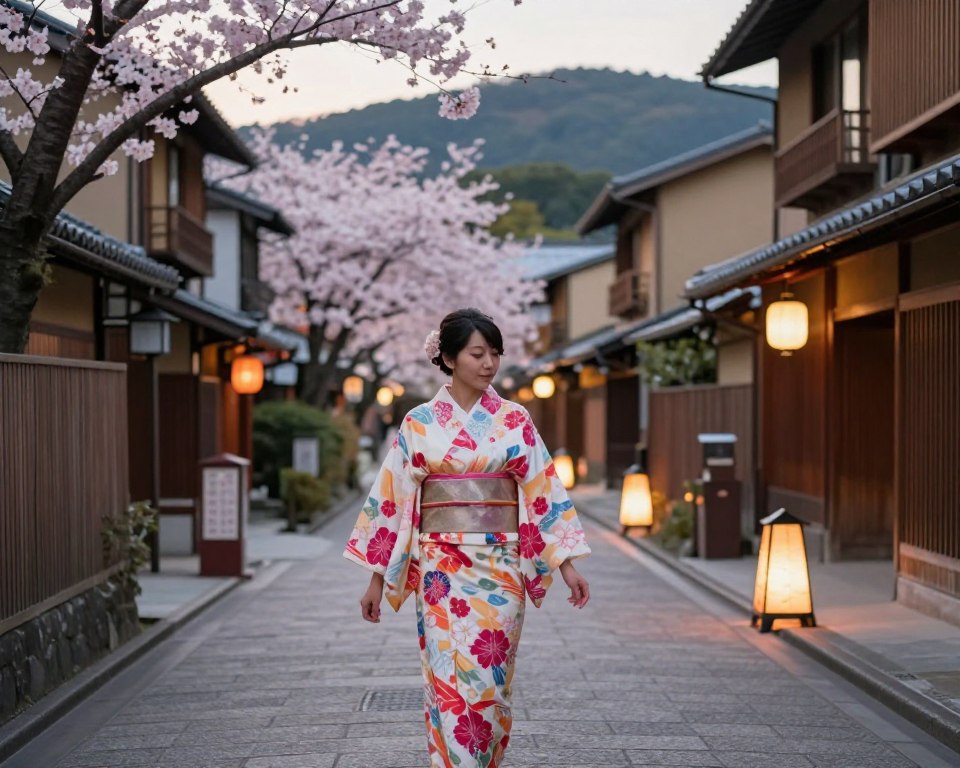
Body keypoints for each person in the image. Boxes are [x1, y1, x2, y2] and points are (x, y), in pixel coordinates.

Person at [343, 308, 591, 768]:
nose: (489, 364)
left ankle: (483, 757)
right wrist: (376, 579)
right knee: (450, 683)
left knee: (491, 683)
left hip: (502, 571)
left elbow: (542, 492)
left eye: (495, 353)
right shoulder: (418, 423)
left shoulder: (514, 420)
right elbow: (391, 502)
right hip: (441, 575)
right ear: (450, 358)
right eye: (478, 353)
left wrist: (567, 563)